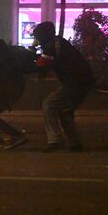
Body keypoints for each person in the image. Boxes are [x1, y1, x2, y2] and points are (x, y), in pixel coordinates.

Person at [32, 21, 94, 152]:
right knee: (65, 111)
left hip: (75, 82)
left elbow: (42, 64)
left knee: (49, 104)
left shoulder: (51, 47)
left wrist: (30, 57)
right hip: (81, 80)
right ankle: (74, 143)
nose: (36, 40)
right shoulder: (57, 43)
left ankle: (55, 140)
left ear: (44, 36)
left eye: (37, 37)